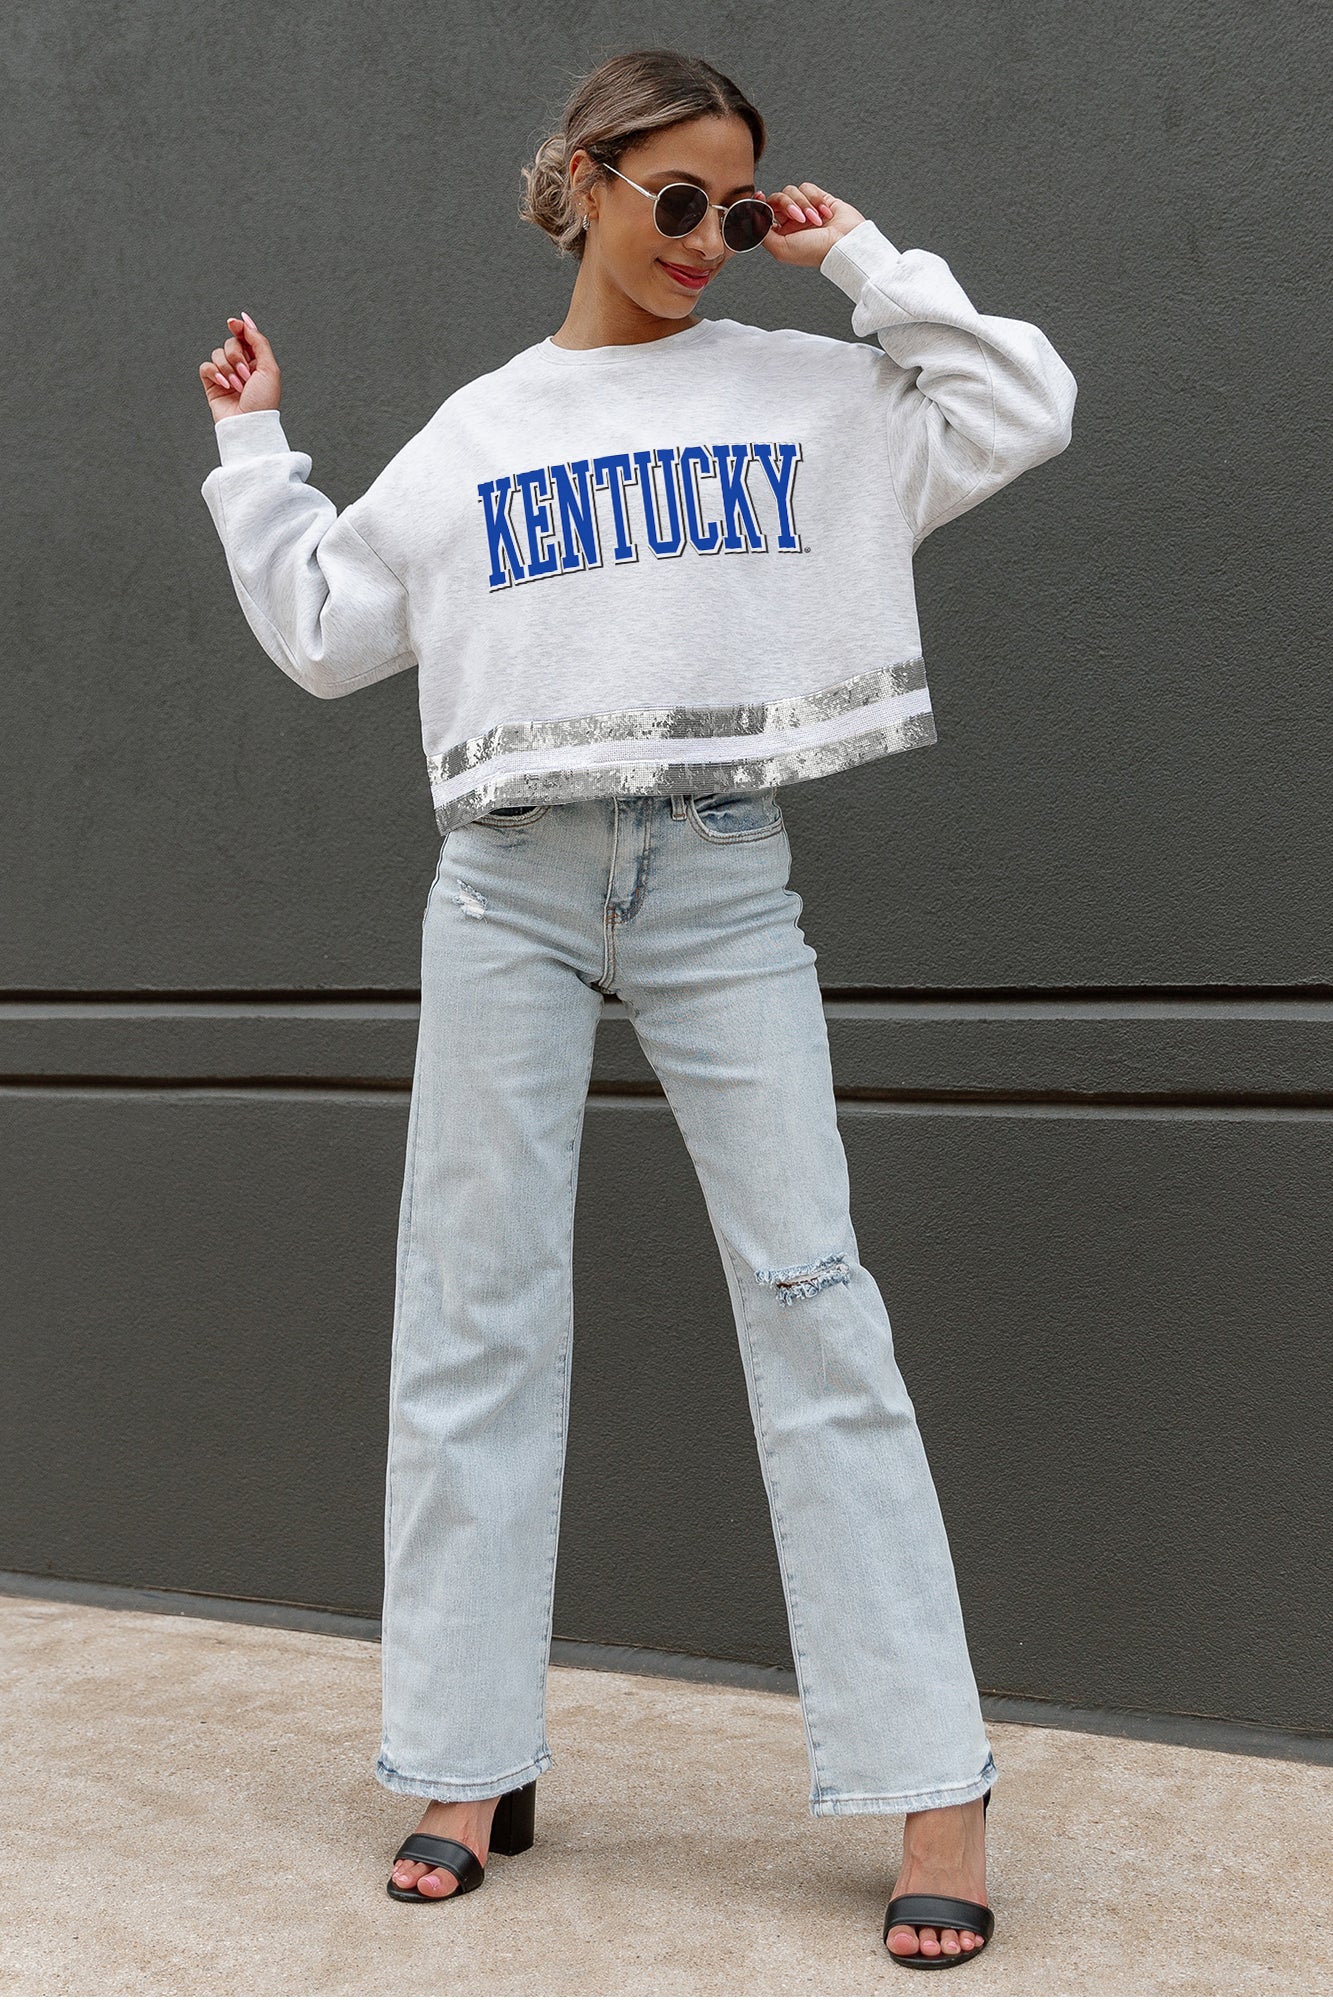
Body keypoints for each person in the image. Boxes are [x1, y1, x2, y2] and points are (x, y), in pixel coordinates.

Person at [198, 46, 1075, 1967]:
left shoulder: (807, 395)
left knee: (814, 1295)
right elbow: (333, 633)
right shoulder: (483, 429)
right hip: (504, 882)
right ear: (583, 183)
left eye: (734, 207)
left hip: (716, 868)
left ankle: (932, 1779)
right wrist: (257, 455)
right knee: (472, 1310)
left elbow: (1021, 402)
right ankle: (464, 1761)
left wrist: (858, 262)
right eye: (675, 198)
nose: (704, 240)